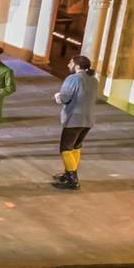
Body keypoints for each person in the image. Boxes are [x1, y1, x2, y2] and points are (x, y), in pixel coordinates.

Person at [53, 54, 100, 190]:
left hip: (74, 118)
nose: (68, 65)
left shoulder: (73, 78)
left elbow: (65, 98)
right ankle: (68, 173)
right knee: (76, 147)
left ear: (77, 66)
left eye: (70, 63)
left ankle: (72, 178)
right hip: (88, 119)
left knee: (65, 148)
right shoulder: (94, 80)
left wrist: (58, 96)